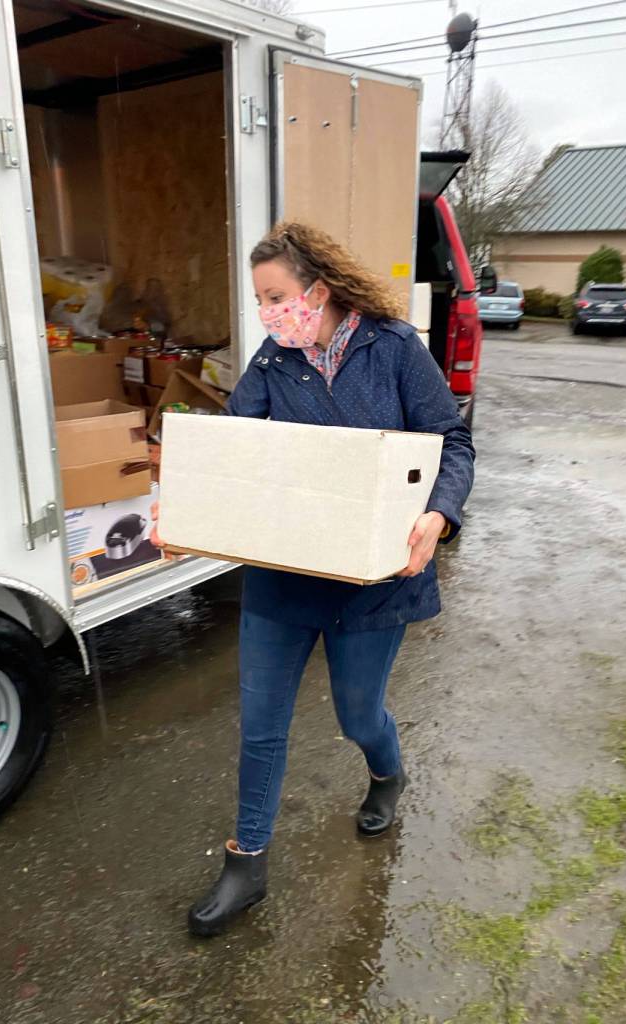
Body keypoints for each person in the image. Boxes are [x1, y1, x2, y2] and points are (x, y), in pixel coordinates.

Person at [153, 222, 475, 937]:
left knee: (358, 716)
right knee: (262, 725)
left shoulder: (392, 348)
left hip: (374, 578)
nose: (267, 312)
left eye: (276, 296)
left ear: (318, 290)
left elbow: (451, 440)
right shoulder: (274, 361)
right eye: (261, 299)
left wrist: (439, 515)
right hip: (285, 576)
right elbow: (233, 452)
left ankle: (387, 774)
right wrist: (181, 511)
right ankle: (247, 864)